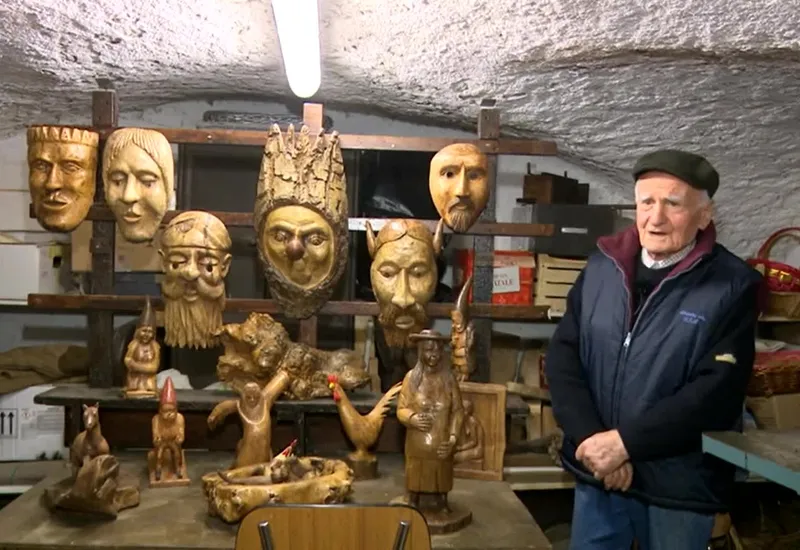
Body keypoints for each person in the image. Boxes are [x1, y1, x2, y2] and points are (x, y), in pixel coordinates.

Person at [544, 149, 762, 550]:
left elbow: (715, 393)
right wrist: (594, 441)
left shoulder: (732, 286)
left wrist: (624, 444)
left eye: (673, 203)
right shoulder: (601, 267)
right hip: (598, 475)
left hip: (676, 488)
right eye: (646, 202)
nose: (655, 217)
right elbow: (563, 359)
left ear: (705, 215)